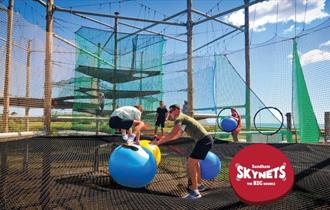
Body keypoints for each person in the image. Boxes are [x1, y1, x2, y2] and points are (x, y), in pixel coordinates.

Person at [151, 104, 214, 199]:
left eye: (171, 111)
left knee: (190, 164)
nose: (169, 113)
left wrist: (158, 142)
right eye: (169, 111)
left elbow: (173, 133)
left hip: (204, 140)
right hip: (205, 140)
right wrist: (163, 139)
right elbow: (178, 134)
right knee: (195, 163)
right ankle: (199, 185)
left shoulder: (179, 118)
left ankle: (195, 192)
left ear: (177, 110)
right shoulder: (183, 119)